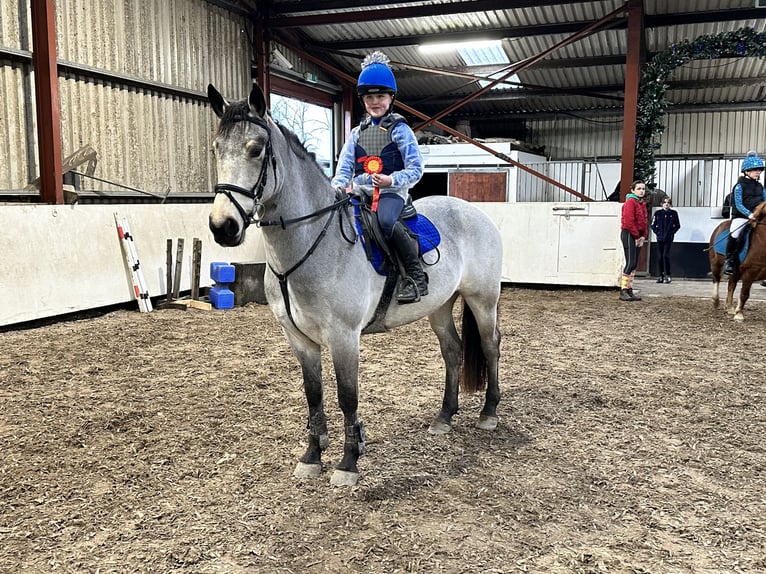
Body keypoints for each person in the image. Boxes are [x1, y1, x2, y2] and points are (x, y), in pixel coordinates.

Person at [331, 51, 427, 304]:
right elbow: (344, 169)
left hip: (391, 194)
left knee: (385, 221)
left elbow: (416, 169)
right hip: (360, 194)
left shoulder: (401, 130)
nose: (375, 102)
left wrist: (391, 181)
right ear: (363, 100)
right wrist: (338, 188)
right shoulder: (355, 133)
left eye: (380, 96)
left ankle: (415, 277)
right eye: (370, 97)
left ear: (391, 98)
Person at [723, 151, 766, 275]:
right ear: (747, 171)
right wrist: (749, 215)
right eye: (755, 170)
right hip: (741, 217)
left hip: (757, 217)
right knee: (735, 233)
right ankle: (729, 261)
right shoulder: (739, 186)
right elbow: (738, 204)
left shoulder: (760, 186)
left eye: (759, 170)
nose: (758, 172)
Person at [619, 180, 648, 301]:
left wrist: (643, 236)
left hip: (638, 235)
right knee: (630, 262)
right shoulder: (630, 202)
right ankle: (623, 290)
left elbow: (644, 221)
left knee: (634, 264)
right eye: (639, 189)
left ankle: (629, 288)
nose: (641, 191)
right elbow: (629, 222)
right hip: (629, 234)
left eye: (643, 189)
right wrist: (636, 236)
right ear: (632, 190)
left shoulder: (642, 203)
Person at [650, 196, 681, 283]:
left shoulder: (674, 213)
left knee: (665, 256)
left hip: (668, 238)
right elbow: (652, 224)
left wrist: (671, 232)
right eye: (664, 202)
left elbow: (677, 225)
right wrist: (657, 232)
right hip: (660, 238)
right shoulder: (658, 213)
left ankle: (668, 274)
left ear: (670, 204)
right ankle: (660, 275)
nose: (666, 204)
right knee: (660, 257)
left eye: (668, 203)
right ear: (662, 204)